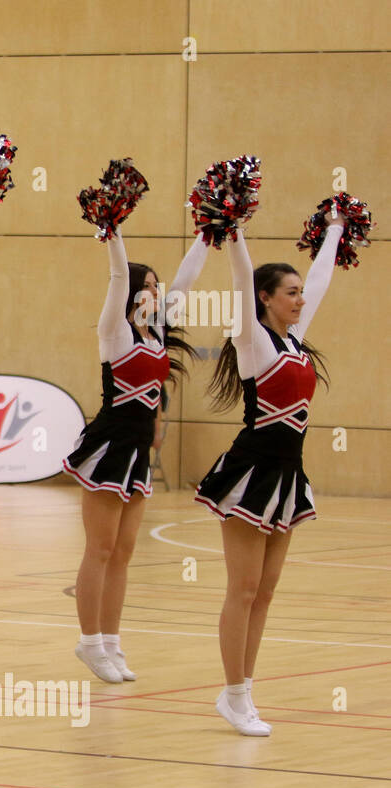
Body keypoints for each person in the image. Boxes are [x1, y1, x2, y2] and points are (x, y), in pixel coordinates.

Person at [195, 210, 344, 736]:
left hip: (287, 473)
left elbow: (322, 279)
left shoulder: (296, 342)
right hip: (250, 471)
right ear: (265, 298)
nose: (300, 299)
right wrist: (233, 229)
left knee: (265, 591)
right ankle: (236, 695)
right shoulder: (252, 342)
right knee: (243, 588)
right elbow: (240, 278)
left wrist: (334, 229)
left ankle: (241, 691)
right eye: (290, 292)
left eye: (300, 292)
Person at [63, 229, 205, 682]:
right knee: (100, 548)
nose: (154, 292)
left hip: (138, 450)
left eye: (155, 287)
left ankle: (112, 640)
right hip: (109, 446)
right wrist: (114, 228)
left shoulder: (157, 331)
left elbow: (185, 281)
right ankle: (89, 642)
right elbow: (118, 272)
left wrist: (210, 232)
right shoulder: (114, 331)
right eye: (145, 286)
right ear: (127, 293)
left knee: (123, 552)